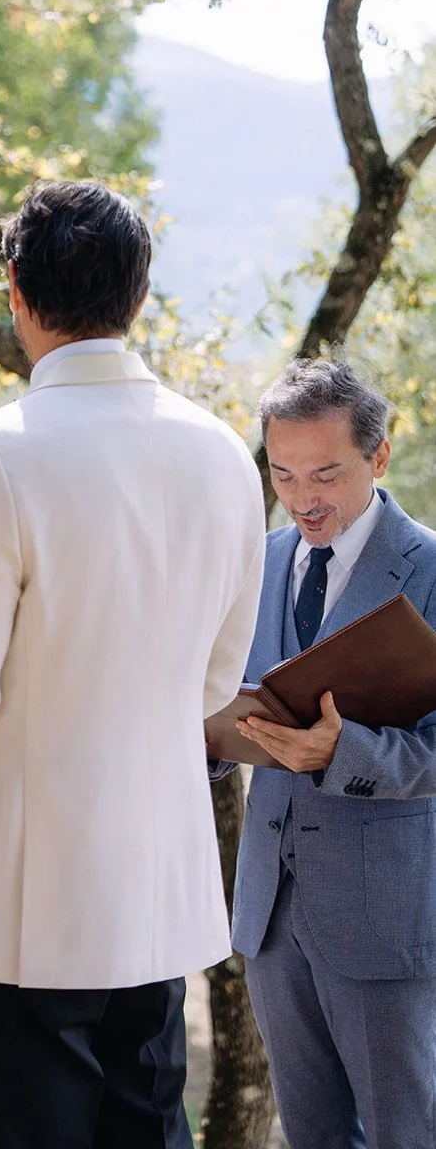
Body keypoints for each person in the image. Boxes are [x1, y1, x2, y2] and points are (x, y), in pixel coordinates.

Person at [0, 180, 267, 1149]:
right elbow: (215, 682)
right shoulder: (223, 454)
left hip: (25, 890)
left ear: (12, 286)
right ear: (138, 294)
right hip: (157, 886)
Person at [217, 359, 436, 1149]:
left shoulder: (431, 569)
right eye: (281, 474)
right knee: (309, 1136)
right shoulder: (261, 560)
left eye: (325, 474)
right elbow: (234, 695)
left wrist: (346, 751)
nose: (302, 498)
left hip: (385, 916)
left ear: (377, 459)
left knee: (402, 1132)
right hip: (271, 912)